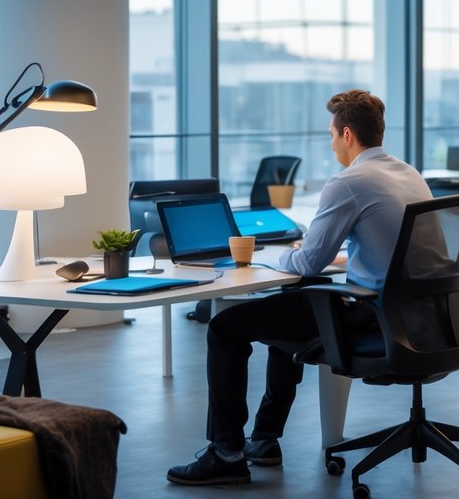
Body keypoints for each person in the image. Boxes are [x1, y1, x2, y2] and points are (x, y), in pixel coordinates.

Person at [168, 90, 432, 486]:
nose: (330, 145)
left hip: (373, 317)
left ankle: (225, 453)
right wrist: (338, 256)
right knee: (287, 311)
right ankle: (264, 440)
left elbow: (308, 262)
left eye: (330, 135)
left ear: (346, 134)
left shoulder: (349, 181)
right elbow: (390, 245)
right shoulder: (407, 173)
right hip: (422, 318)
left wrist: (268, 257)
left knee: (225, 328)